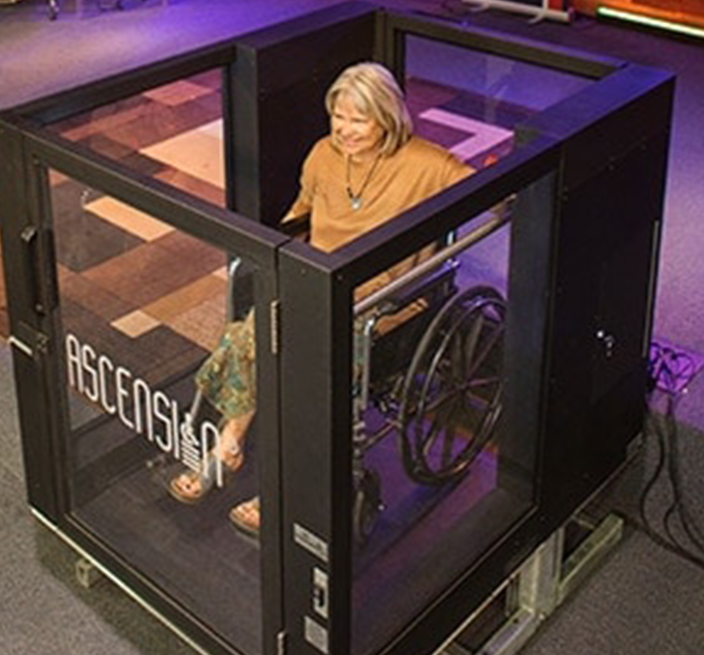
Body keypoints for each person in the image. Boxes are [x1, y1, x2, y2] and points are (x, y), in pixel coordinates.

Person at [167, 61, 474, 536]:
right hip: (316, 284)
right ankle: (229, 443)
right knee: (249, 334)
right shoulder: (323, 154)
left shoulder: (430, 164)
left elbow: (493, 195)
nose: (344, 130)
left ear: (388, 117)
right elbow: (300, 213)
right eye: (338, 117)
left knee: (304, 368)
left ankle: (282, 485)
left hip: (384, 300)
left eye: (358, 119)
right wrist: (277, 254)